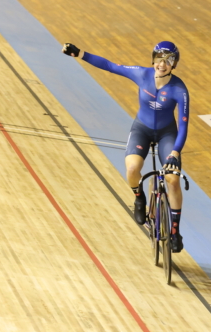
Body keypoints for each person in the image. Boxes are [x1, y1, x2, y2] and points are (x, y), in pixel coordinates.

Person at [62, 41, 189, 252]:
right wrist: (80, 53)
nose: (163, 64)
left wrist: (175, 152)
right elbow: (111, 66)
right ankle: (139, 198)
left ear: (174, 64)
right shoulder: (141, 74)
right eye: (159, 59)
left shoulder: (179, 89)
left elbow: (184, 125)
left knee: (173, 179)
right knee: (132, 169)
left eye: (169, 61)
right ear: (153, 59)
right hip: (143, 129)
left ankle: (175, 231)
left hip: (168, 134)